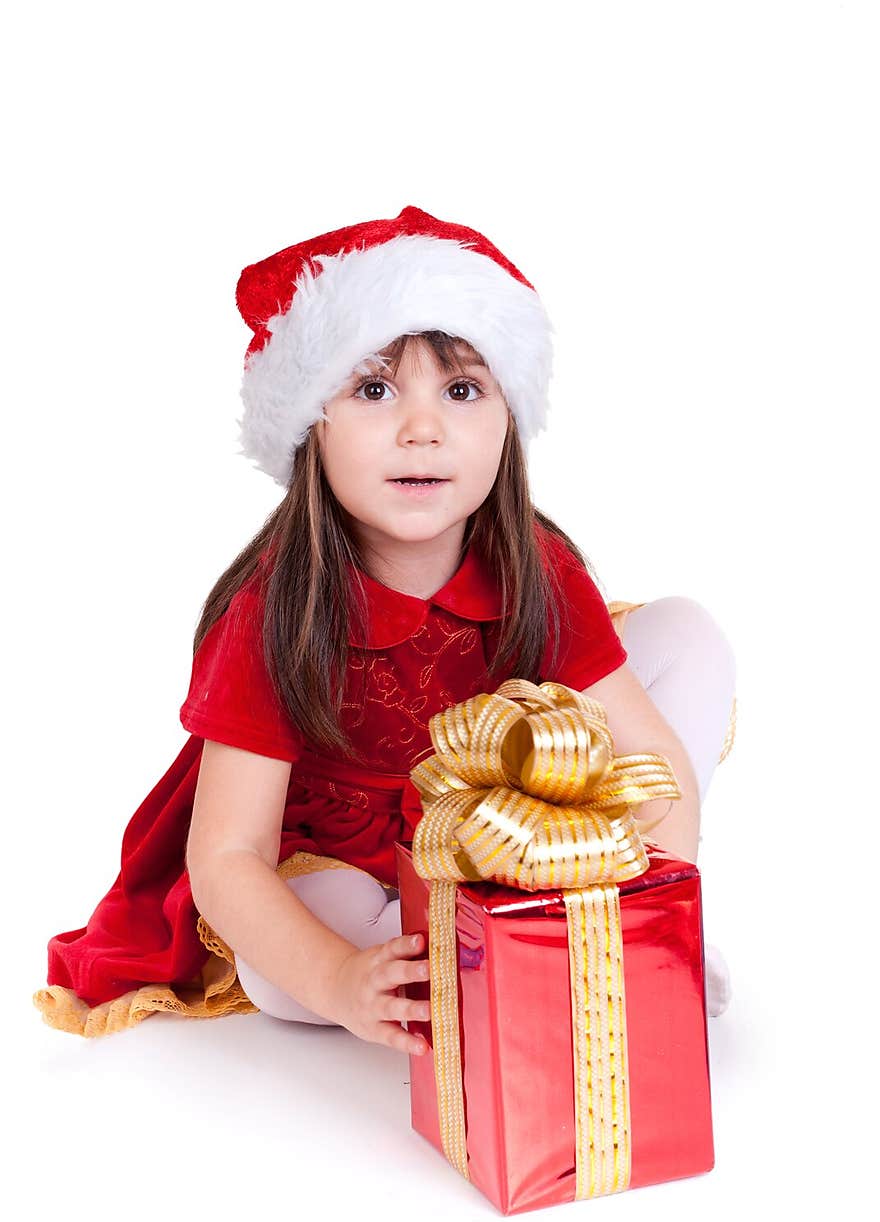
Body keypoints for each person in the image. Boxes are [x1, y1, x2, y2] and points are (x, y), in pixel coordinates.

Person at [33, 204, 737, 1046]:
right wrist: (336, 977)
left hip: (500, 807)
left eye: (463, 389)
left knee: (688, 636)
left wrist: (653, 908)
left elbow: (651, 760)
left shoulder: (535, 568)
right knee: (289, 969)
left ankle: (617, 926)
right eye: (373, 389)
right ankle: (468, 965)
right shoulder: (275, 614)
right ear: (309, 429)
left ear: (508, 419)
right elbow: (226, 857)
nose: (422, 428)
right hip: (345, 853)